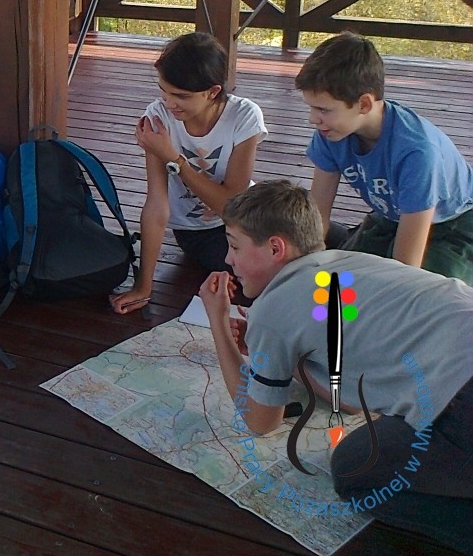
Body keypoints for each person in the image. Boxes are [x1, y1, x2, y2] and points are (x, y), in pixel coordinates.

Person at [200, 180, 473, 555]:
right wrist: (282, 357)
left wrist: (218, 322)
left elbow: (260, 420)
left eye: (234, 246)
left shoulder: (273, 307)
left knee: (355, 471)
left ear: (276, 248)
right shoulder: (349, 263)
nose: (228, 260)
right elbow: (353, 401)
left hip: (463, 399)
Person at [295, 32, 473, 284]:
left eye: (323, 109)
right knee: (340, 279)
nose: (313, 119)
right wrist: (304, 274)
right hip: (393, 216)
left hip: (453, 224)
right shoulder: (331, 132)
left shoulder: (417, 153)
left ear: (364, 105)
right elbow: (317, 217)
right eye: (311, 107)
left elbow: (406, 266)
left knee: (417, 291)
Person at [110, 32, 267, 314]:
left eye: (181, 96)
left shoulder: (244, 115)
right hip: (199, 232)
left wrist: (174, 159)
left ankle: (342, 315)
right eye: (164, 91)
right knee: (263, 272)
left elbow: (232, 207)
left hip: (246, 217)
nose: (169, 102)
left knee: (308, 245)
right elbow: (157, 206)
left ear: (213, 92)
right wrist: (144, 286)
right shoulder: (158, 118)